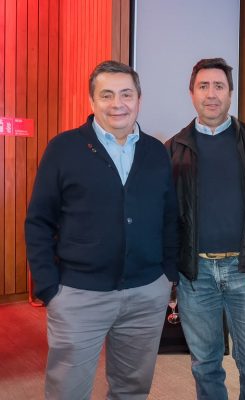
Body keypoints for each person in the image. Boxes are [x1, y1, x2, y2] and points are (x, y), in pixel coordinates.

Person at [25, 60, 179, 400]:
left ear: (139, 99)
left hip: (146, 293)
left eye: (126, 94)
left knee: (132, 390)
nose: (117, 103)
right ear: (92, 101)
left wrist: (167, 275)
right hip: (78, 295)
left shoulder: (156, 151)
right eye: (106, 95)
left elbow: (169, 217)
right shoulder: (63, 148)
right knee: (67, 392)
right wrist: (48, 287)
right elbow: (39, 221)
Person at [165, 58, 245, 400]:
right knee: (205, 364)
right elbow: (166, 217)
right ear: (192, 93)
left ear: (230, 93)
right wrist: (171, 271)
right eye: (203, 86)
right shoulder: (174, 149)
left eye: (219, 86)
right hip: (195, 275)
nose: (211, 94)